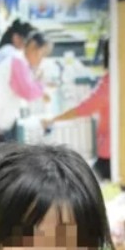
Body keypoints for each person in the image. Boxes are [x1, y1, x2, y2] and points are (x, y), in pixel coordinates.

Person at [43, 41, 111, 181]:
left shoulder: (107, 85)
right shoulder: (123, 80)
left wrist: (53, 120)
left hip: (109, 152)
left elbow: (82, 109)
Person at [0, 31, 51, 156]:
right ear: (32, 47)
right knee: (1, 161)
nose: (41, 60)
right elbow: (27, 92)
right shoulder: (18, 62)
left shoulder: (20, 60)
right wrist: (41, 88)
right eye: (41, 54)